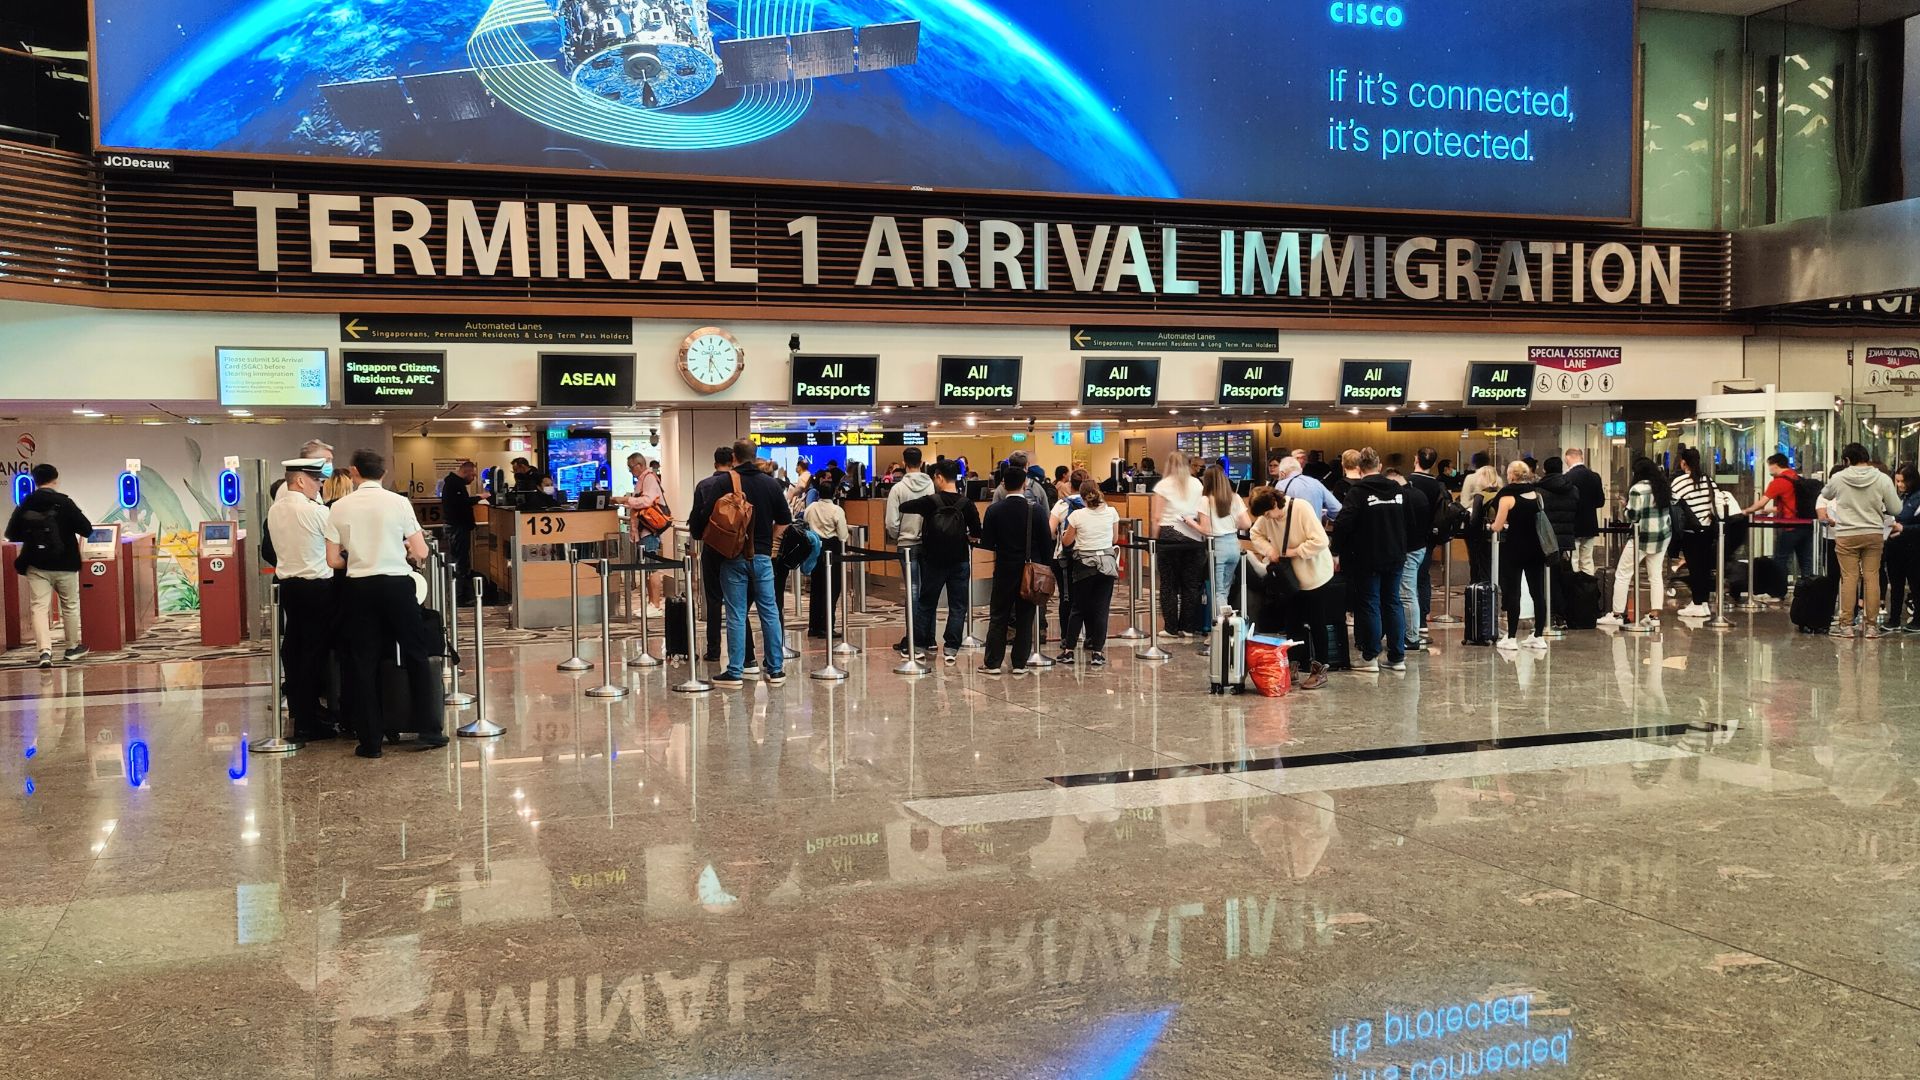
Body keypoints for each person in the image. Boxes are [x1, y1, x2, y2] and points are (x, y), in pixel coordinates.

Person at [324, 449, 448, 758]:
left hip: (359, 588)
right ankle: (428, 730)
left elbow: (332, 560)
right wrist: (403, 554)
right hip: (396, 585)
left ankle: (371, 741)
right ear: (383, 474)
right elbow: (420, 551)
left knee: (363, 662)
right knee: (415, 654)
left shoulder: (338, 507)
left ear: (354, 472)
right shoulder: (399, 502)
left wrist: (356, 555)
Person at [692, 440, 793, 687]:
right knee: (769, 612)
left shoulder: (725, 481)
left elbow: (704, 517)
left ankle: (736, 671)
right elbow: (784, 520)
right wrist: (768, 542)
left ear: (734, 457)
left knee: (736, 612)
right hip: (762, 558)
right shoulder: (771, 484)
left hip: (733, 556)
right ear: (755, 455)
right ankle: (776, 670)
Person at [268, 459, 337, 740]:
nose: (320, 485)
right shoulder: (314, 512)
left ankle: (301, 712)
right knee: (313, 655)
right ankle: (309, 721)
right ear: (299, 481)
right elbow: (339, 546)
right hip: (317, 589)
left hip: (288, 588)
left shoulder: (275, 510)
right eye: (316, 480)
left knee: (294, 651)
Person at [4, 463, 93, 668]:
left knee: (39, 608)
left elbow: (12, 533)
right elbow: (86, 529)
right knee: (69, 605)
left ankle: (44, 651)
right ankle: (71, 648)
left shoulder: (27, 503)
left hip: (36, 564)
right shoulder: (64, 502)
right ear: (55, 479)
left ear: (35, 480)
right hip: (65, 563)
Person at [1245, 484, 1331, 690]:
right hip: (1290, 579)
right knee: (1292, 622)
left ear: (1275, 502)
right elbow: (1255, 533)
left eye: (1268, 513)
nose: (1268, 518)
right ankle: (1292, 665)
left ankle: (1319, 670)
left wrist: (1293, 551)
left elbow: (1321, 540)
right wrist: (1269, 549)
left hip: (1314, 575)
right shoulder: (1267, 517)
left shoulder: (1301, 508)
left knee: (1317, 622)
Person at [1331, 448, 1410, 672]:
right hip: (1396, 554)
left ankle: (1371, 657)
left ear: (1359, 468)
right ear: (1380, 466)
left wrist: (1336, 551)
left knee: (1369, 603)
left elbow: (1344, 522)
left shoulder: (1358, 491)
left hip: (1368, 556)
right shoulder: (1397, 488)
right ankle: (1397, 657)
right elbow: (1407, 520)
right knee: (1393, 602)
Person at [898, 460, 982, 662]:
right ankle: (951, 648)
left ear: (938, 477)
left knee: (927, 603)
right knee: (958, 605)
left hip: (933, 561)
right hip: (960, 560)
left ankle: (917, 645)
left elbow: (904, 506)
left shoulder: (931, 501)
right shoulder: (966, 504)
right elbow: (977, 532)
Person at [1820, 443, 1904, 639]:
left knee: (1849, 578)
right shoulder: (1882, 478)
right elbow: (1896, 509)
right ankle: (1872, 627)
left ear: (1847, 460)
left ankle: (1846, 626)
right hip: (1873, 533)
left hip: (1847, 534)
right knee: (1872, 577)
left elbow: (1825, 494)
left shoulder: (1839, 477)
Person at [979, 465, 1051, 675]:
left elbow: (987, 542)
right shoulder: (1035, 510)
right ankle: (1019, 663)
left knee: (999, 616)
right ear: (1025, 483)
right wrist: (1045, 566)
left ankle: (993, 662)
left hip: (1004, 569)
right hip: (1029, 571)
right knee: (1025, 617)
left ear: (1003, 484)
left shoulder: (994, 510)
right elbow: (1047, 544)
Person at [690, 446, 752, 667]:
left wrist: (699, 535)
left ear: (715, 461)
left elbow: (697, 516)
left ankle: (713, 649)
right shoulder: (741, 483)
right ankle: (746, 652)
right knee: (738, 601)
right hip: (737, 548)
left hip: (713, 547)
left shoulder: (705, 485)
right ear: (733, 460)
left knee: (714, 599)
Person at [1598, 459, 1672, 629]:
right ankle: (1654, 615)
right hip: (1662, 536)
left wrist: (1625, 507)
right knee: (1655, 575)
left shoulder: (1637, 489)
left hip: (1642, 537)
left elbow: (1633, 516)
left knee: (1623, 573)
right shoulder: (1662, 487)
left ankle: (1617, 614)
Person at [1488, 459, 1550, 652]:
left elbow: (1497, 525)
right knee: (1537, 593)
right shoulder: (1537, 495)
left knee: (1513, 592)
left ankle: (1512, 637)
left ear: (1511, 475)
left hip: (1515, 548)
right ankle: (1538, 635)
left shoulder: (1506, 497)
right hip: (1536, 549)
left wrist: (1491, 526)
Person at [1057, 480, 1121, 666]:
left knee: (1078, 609)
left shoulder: (1077, 515)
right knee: (1101, 610)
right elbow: (1114, 538)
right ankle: (1097, 653)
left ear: (1082, 497)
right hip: (1106, 566)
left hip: (1084, 565)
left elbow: (1067, 542)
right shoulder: (1111, 512)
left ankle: (1069, 651)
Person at [885, 446, 937, 658]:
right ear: (922, 462)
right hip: (928, 544)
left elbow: (891, 522)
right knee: (928, 590)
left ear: (904, 462)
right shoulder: (931, 486)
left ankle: (914, 639)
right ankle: (930, 638)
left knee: (912, 591)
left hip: (906, 545)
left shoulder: (898, 489)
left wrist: (899, 534)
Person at [1150, 450, 1208, 638]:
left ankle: (1171, 628)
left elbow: (1157, 518)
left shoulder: (1163, 485)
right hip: (1194, 535)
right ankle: (1188, 627)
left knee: (1169, 584)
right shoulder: (1197, 483)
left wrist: (1154, 542)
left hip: (1169, 534)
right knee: (1191, 585)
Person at [1669, 448, 1729, 618]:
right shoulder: (1708, 480)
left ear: (1683, 462)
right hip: (1708, 530)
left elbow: (1672, 503)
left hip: (1691, 531)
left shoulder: (1680, 482)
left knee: (1695, 568)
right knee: (1704, 568)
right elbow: (1717, 500)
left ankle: (1697, 603)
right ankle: (1702, 603)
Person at [1745, 453, 1814, 584]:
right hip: (1805, 524)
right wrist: (1770, 510)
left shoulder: (1778, 482)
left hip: (1790, 528)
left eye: (1770, 465)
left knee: (1780, 559)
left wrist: (1746, 511)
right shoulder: (1796, 477)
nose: (1769, 469)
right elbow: (1791, 503)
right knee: (1805, 561)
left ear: (1775, 465)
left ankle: (1779, 590)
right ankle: (1807, 592)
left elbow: (1761, 502)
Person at [1196, 463, 1251, 619]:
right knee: (1225, 589)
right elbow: (1247, 523)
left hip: (1217, 547)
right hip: (1234, 545)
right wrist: (1232, 524)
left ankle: (1222, 631)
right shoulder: (1235, 497)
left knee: (1217, 590)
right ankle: (1226, 629)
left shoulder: (1205, 500)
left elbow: (1206, 529)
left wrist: (1189, 522)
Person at [1386, 468, 1431, 653]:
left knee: (1406, 593)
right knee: (1409, 591)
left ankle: (1411, 636)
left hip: (1409, 550)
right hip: (1420, 546)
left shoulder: (1402, 498)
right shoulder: (1419, 494)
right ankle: (1409, 633)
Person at [618, 453, 669, 616]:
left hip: (649, 530)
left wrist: (624, 500)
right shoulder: (642, 480)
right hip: (643, 531)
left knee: (651, 567)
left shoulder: (649, 479)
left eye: (630, 467)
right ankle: (650, 603)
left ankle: (655, 604)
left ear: (639, 465)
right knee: (647, 567)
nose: (630, 471)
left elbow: (646, 501)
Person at [1407, 449, 1448, 642]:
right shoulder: (1437, 485)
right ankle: (1423, 620)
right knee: (1423, 578)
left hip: (1408, 537)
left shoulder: (1407, 483)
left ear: (1415, 459)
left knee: (1407, 581)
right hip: (1428, 537)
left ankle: (1410, 623)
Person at [803, 479, 851, 638]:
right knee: (832, 588)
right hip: (832, 548)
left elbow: (804, 524)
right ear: (834, 492)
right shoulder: (837, 510)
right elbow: (843, 535)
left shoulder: (810, 508)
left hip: (815, 548)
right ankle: (827, 625)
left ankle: (814, 626)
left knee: (816, 588)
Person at [1884, 465, 1920, 631]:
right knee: (1896, 584)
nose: (1899, 484)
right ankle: (1894, 618)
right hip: (1895, 546)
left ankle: (1917, 620)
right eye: (1897, 481)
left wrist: (1903, 529)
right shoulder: (1902, 497)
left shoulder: (1916, 498)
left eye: (1902, 481)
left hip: (1913, 547)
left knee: (1915, 583)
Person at [440, 459, 481, 605]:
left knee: (460, 560)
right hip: (458, 527)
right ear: (466, 472)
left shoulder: (452, 484)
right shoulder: (455, 485)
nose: (474, 478)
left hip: (456, 526)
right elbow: (462, 504)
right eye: (473, 475)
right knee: (460, 561)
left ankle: (460, 594)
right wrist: (479, 498)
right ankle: (458, 596)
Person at [1461, 459, 1503, 585]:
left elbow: (1474, 521)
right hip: (1500, 535)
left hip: (1481, 537)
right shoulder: (1503, 495)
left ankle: (1480, 590)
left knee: (1480, 566)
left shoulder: (1480, 496)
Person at [1564, 449, 1606, 575]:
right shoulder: (1595, 476)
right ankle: (1589, 589)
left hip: (1573, 525)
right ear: (1581, 457)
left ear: (1568, 458)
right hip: (1590, 524)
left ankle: (1575, 591)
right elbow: (1600, 502)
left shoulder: (1567, 477)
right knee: (1587, 559)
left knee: (1574, 559)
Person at [1274, 455, 1342, 523]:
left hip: (1291, 531)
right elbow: (1337, 509)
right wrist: (1325, 517)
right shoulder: (1316, 483)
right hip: (1315, 530)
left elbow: (1276, 512)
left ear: (1282, 473)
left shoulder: (1280, 485)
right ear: (1301, 469)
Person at [1536, 457, 1579, 563]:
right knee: (1561, 568)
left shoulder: (1538, 490)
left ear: (1545, 470)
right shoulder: (1573, 489)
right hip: (1566, 537)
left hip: (1545, 537)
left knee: (1545, 571)